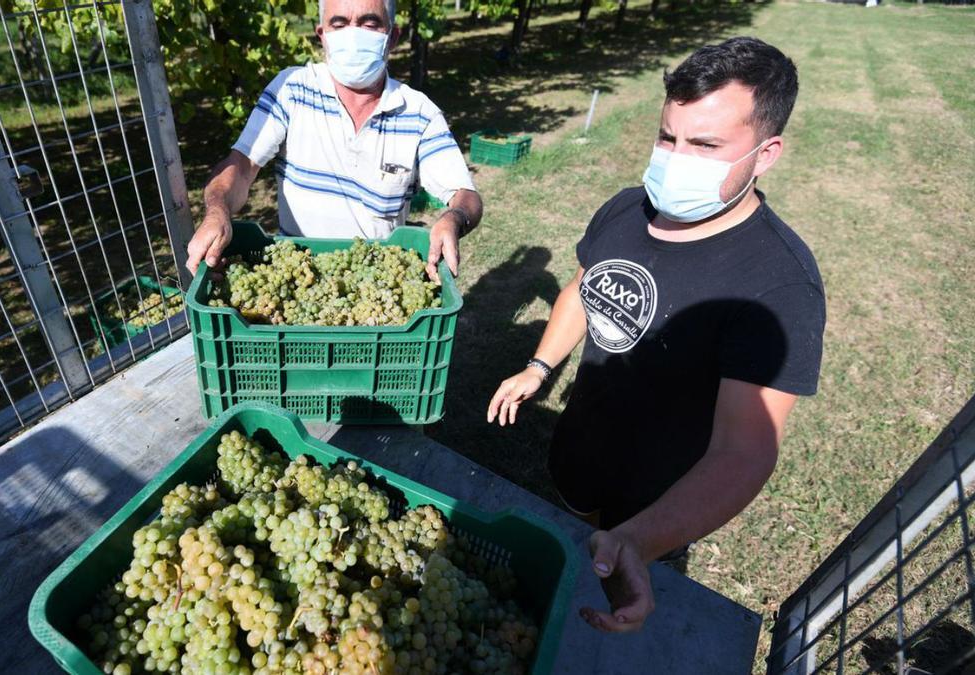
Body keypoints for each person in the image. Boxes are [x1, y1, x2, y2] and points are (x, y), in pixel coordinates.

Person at [486, 37, 826, 633]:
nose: (675, 159)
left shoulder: (779, 288)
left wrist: (641, 542)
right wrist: (538, 367)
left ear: (766, 153)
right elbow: (583, 289)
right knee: (570, 545)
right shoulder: (626, 209)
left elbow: (744, 451)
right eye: (668, 137)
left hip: (656, 500)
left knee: (598, 604)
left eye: (705, 145)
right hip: (579, 451)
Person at [184, 0, 483, 283]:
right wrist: (217, 211)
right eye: (339, 24)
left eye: (370, 23)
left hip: (376, 286)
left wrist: (454, 218)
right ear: (322, 36)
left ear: (392, 38)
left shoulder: (419, 113)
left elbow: (465, 195)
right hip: (296, 275)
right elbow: (241, 167)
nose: (353, 36)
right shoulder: (291, 91)